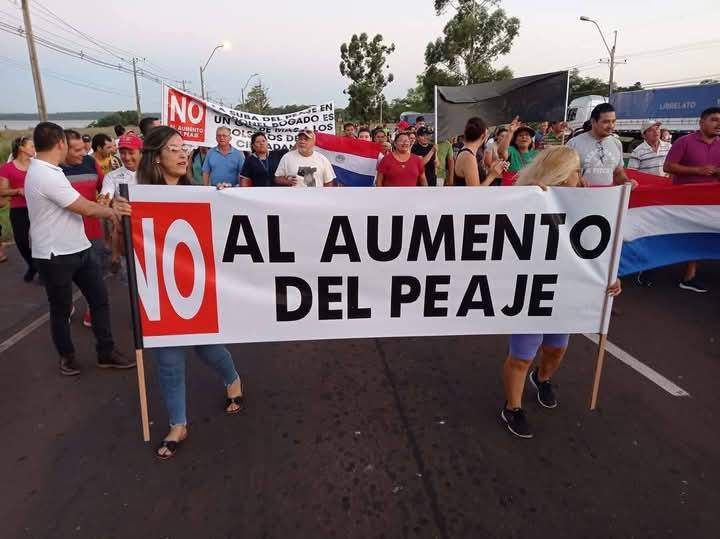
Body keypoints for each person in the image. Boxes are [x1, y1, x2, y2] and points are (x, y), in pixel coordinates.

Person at [136, 126, 244, 459]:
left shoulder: (200, 192)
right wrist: (119, 216)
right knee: (168, 362)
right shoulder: (137, 197)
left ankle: (233, 380)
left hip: (196, 287)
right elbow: (120, 249)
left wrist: (225, 198)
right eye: (174, 149)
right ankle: (178, 424)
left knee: (208, 349)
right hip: (159, 290)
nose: (184, 154)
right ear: (156, 157)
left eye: (185, 148)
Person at [500, 145, 623, 438]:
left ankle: (542, 379)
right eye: (575, 170)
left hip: (565, 290)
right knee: (521, 354)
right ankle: (512, 407)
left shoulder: (588, 204)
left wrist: (612, 277)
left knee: (556, 348)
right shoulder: (524, 199)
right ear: (560, 173)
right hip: (530, 289)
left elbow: (598, 246)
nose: (579, 176)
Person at [25, 122, 135, 376]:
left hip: (79, 246)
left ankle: (105, 351)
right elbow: (83, 207)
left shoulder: (50, 170)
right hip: (55, 254)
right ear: (60, 143)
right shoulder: (45, 174)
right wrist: (112, 211)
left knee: (99, 299)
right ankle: (67, 356)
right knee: (61, 309)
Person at [663, 106, 720, 293]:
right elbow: (668, 166)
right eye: (714, 119)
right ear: (701, 122)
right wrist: (697, 171)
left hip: (710, 201)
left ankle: (689, 276)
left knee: (699, 234)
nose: (718, 123)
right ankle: (651, 265)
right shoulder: (685, 141)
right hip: (683, 200)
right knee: (674, 234)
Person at [100, 132, 143, 276]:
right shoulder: (112, 176)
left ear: (140, 152)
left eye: (131, 152)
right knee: (130, 276)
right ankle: (116, 257)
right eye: (122, 153)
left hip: (150, 232)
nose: (126, 157)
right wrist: (105, 202)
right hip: (126, 232)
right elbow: (105, 196)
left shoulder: (153, 173)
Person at [566, 103, 633, 187]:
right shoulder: (574, 143)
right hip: (581, 197)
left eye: (613, 121)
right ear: (593, 121)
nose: (611, 126)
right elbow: (563, 172)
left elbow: (618, 172)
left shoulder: (617, 143)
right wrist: (577, 180)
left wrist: (627, 182)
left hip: (607, 197)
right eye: (606, 122)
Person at [0, 136, 36, 280]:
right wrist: (17, 191)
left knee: (41, 240)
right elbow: (2, 191)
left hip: (37, 207)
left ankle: (43, 269)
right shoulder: (7, 168)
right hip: (18, 208)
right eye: (31, 146)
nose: (34, 149)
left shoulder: (37, 165)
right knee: (21, 241)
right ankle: (32, 264)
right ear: (21, 148)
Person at [450, 117, 507, 187]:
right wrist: (493, 175)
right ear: (483, 136)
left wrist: (492, 169)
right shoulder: (468, 156)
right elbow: (475, 191)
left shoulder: (468, 153)